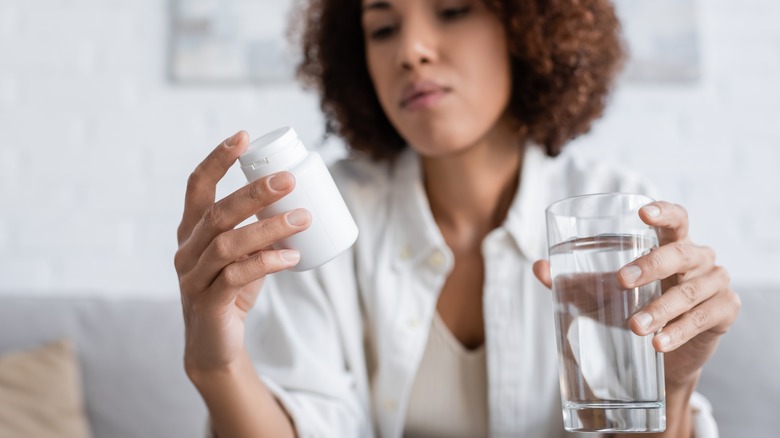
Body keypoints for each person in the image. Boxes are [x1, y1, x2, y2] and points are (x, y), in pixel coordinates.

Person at [174, 0, 741, 436]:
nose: (412, 50)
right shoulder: (326, 215)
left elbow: (622, 423)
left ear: (527, 24)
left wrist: (674, 385)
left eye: (451, 10)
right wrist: (217, 366)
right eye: (383, 27)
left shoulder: (613, 209)